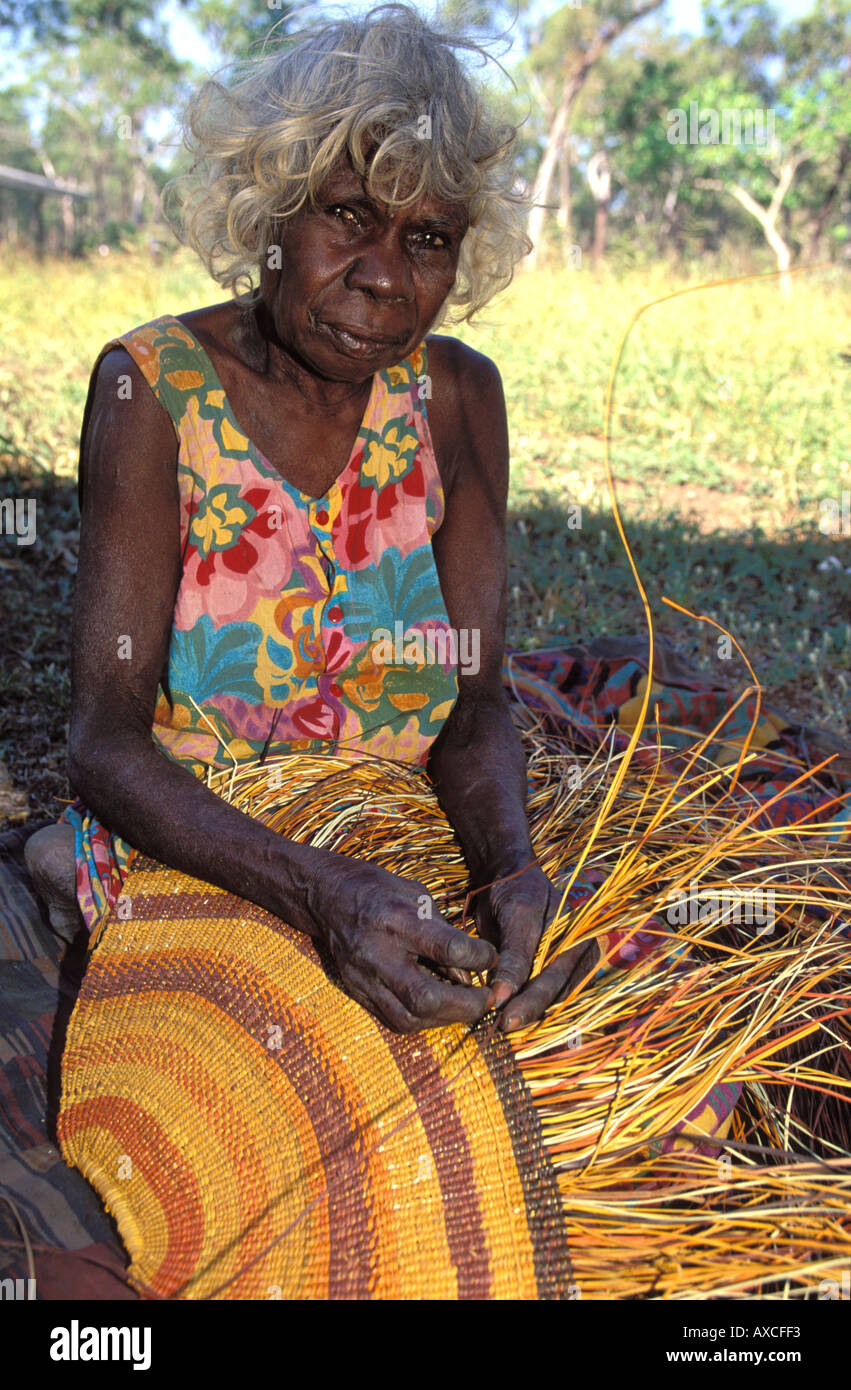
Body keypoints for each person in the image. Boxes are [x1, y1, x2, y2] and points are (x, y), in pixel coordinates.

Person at [25, 4, 600, 1037]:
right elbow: (104, 741)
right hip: (215, 848)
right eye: (346, 215)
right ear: (270, 213)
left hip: (392, 841)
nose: (384, 274)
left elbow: (472, 698)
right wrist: (313, 894)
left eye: (425, 237)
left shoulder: (458, 398)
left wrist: (510, 868)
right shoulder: (152, 391)